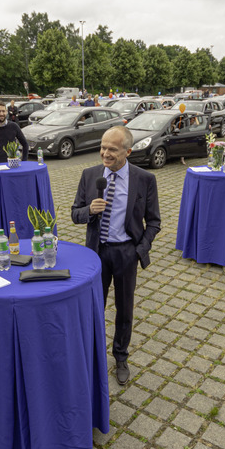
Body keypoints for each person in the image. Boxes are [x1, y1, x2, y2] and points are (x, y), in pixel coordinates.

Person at [71, 126, 161, 385]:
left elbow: (154, 222)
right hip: (95, 254)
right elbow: (74, 214)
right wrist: (89, 210)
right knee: (93, 306)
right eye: (102, 147)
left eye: (112, 149)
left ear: (127, 151)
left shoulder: (144, 179)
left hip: (125, 253)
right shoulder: (90, 176)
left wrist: (138, 251)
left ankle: (120, 355)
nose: (104, 153)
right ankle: (91, 352)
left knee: (124, 310)